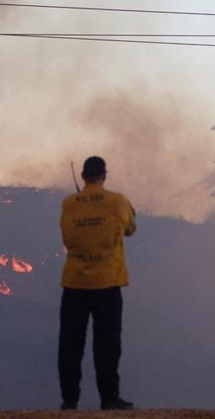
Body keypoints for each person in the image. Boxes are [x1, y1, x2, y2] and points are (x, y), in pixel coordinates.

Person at [58, 156, 137, 410]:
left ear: (83, 176)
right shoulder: (117, 201)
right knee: (107, 344)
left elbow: (67, 235)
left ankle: (69, 401)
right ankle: (109, 398)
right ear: (104, 175)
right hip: (107, 283)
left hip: (75, 283)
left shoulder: (69, 203)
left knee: (70, 344)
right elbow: (130, 228)